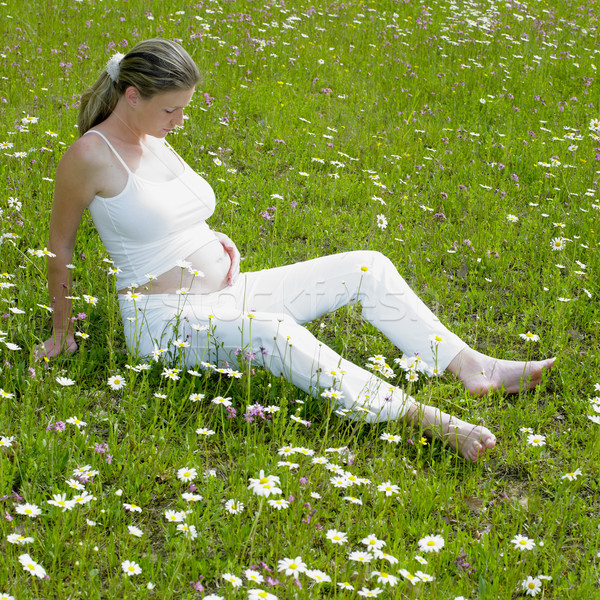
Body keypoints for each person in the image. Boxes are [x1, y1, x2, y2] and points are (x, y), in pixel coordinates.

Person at [38, 39, 554, 462]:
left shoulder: (153, 134)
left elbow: (162, 212)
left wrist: (212, 238)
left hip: (229, 291)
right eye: (171, 108)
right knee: (275, 330)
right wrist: (62, 333)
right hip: (163, 321)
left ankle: (471, 366)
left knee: (365, 266)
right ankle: (423, 418)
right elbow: (60, 245)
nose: (179, 120)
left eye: (184, 109)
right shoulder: (90, 155)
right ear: (131, 96)